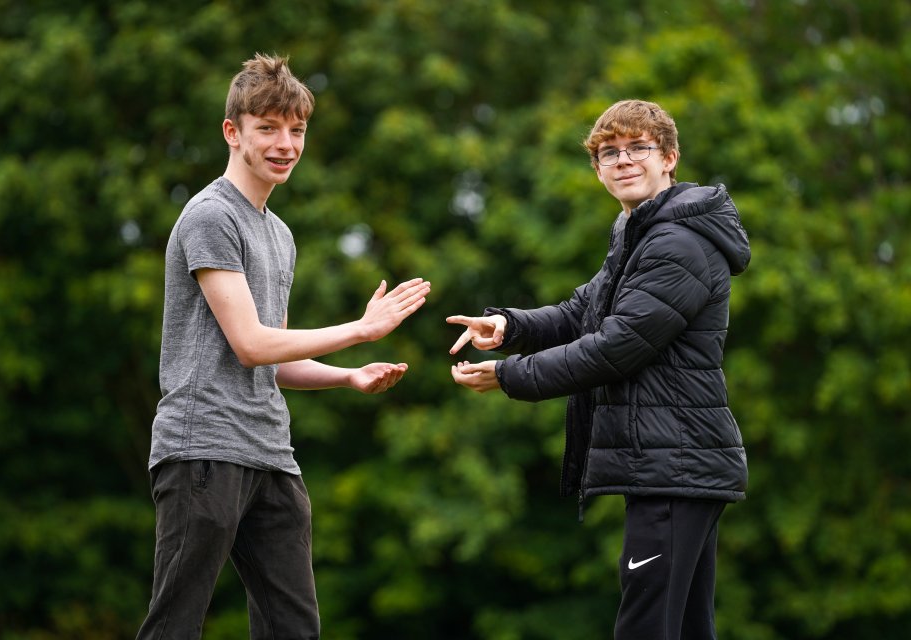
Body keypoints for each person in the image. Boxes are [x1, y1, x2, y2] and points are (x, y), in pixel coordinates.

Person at [136, 53, 430, 640]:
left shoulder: (279, 233)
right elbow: (249, 344)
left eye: (296, 130)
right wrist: (360, 328)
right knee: (176, 625)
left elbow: (278, 357)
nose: (285, 143)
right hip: (204, 448)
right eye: (267, 128)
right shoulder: (210, 217)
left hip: (271, 454)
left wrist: (348, 375)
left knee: (294, 629)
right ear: (233, 132)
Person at [447, 99, 750, 640]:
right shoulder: (639, 231)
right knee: (681, 628)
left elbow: (615, 346)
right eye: (609, 153)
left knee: (645, 627)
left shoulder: (678, 243)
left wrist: (509, 374)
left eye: (638, 148)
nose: (623, 161)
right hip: (670, 464)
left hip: (675, 463)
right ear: (597, 168)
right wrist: (508, 327)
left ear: (669, 158)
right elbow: (580, 311)